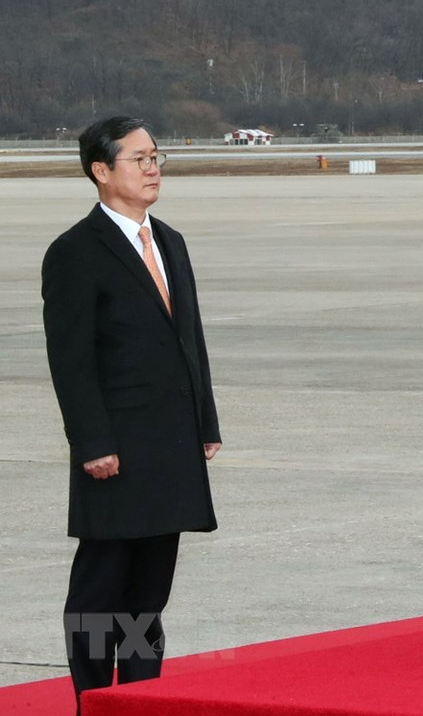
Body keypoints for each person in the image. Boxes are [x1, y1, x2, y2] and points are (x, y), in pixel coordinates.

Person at [42, 115, 221, 713]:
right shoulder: (75, 252)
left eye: (155, 157)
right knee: (99, 594)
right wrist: (92, 442)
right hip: (114, 450)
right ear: (101, 170)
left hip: (170, 445)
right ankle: (93, 699)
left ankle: (142, 698)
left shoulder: (169, 240)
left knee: (147, 596)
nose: (152, 169)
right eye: (138, 159)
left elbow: (188, 340)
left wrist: (205, 422)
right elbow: (71, 361)